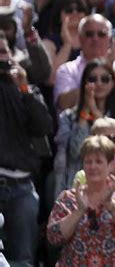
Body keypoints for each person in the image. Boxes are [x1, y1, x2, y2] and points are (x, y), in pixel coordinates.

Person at [47, 135, 115, 266]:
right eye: (88, 162)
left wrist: (111, 205)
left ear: (111, 164)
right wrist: (79, 211)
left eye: (99, 161)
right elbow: (54, 237)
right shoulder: (69, 198)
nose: (92, 166)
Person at [0, 33, 53, 266]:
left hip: (21, 186)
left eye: (4, 52)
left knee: (23, 259)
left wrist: (23, 88)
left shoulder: (25, 89)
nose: (4, 59)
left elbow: (43, 126)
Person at [54, 59, 115, 197]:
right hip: (76, 189)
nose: (98, 83)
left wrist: (95, 111)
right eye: (92, 79)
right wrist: (85, 110)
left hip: (114, 192)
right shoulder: (68, 117)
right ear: (84, 83)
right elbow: (76, 150)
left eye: (104, 79)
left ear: (113, 83)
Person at [54, 13, 115, 111]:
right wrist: (96, 84)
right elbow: (64, 103)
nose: (95, 38)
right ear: (80, 38)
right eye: (89, 34)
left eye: (101, 34)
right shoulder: (66, 70)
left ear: (110, 39)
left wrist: (110, 70)